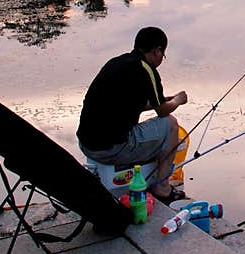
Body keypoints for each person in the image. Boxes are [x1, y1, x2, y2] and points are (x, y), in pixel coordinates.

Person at [77, 26, 188, 203]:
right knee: (171, 125)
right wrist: (178, 100)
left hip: (87, 145)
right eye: (163, 54)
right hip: (112, 149)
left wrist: (162, 100)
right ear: (157, 50)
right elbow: (162, 111)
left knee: (158, 127)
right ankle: (162, 187)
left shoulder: (117, 63)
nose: (161, 58)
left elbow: (127, 104)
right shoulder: (147, 69)